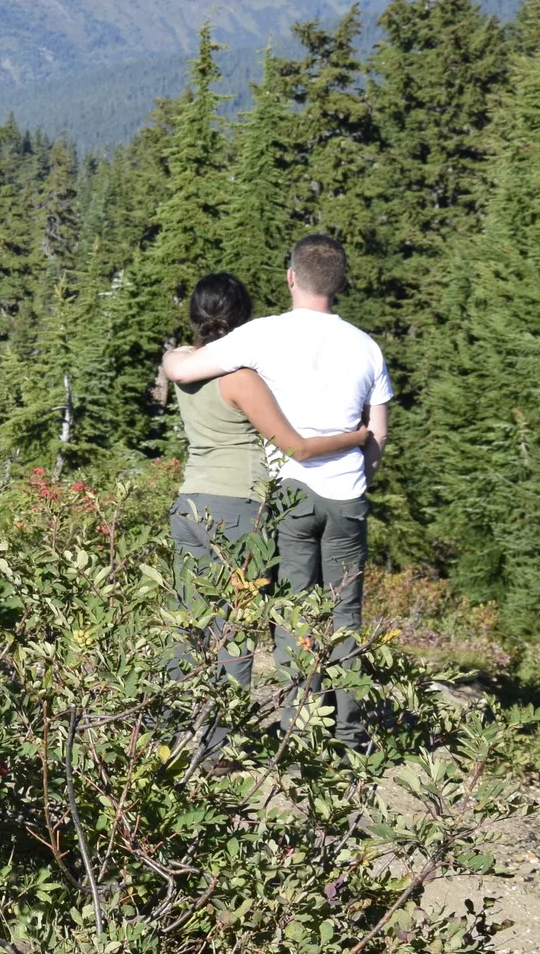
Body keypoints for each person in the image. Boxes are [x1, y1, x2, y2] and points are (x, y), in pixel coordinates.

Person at [162, 235, 391, 747]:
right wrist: (356, 468)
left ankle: (273, 729)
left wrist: (172, 360)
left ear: (292, 277)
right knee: (337, 614)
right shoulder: (365, 347)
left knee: (268, 613)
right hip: (323, 498)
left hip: (253, 497)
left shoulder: (259, 338)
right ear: (342, 283)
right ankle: (342, 734)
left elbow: (182, 367)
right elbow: (366, 436)